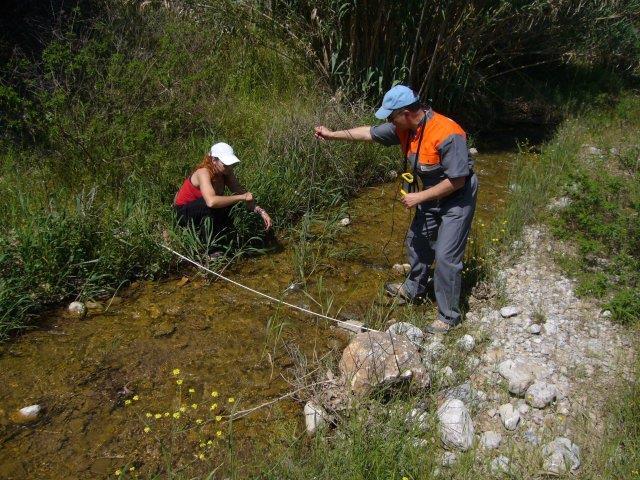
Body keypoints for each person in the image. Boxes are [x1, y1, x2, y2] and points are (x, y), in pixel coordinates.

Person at [314, 85, 477, 334]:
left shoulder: (447, 132)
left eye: (391, 116)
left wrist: (419, 196)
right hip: (431, 193)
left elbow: (457, 180)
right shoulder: (402, 128)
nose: (389, 122)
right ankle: (415, 288)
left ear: (407, 112)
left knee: (446, 256)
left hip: (457, 196)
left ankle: (449, 318)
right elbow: (367, 133)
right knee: (416, 240)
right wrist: (331, 134)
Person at [173, 142, 272, 243]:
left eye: (231, 164)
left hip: (202, 211)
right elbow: (211, 202)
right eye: (226, 164)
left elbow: (242, 193)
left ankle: (229, 238)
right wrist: (241, 197)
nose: (229, 168)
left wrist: (261, 211)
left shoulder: (226, 172)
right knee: (210, 204)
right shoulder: (203, 172)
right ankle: (209, 249)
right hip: (183, 213)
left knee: (229, 205)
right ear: (214, 160)